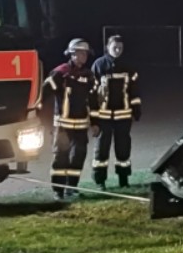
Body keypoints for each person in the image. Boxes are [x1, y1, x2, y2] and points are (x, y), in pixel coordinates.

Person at [40, 38, 99, 198]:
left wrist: (95, 123)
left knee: (78, 156)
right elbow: (43, 94)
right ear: (72, 54)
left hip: (81, 125)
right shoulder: (60, 73)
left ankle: (72, 187)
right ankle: (58, 191)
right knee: (61, 158)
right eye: (80, 53)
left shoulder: (89, 76)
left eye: (85, 53)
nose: (84, 56)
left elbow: (93, 101)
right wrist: (40, 117)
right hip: (62, 126)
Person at [90, 34, 141, 188]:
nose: (117, 50)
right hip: (103, 117)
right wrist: (93, 119)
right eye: (115, 47)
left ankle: (123, 180)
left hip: (123, 116)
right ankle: (100, 181)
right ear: (108, 47)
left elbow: (134, 90)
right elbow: (92, 94)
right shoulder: (99, 65)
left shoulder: (129, 67)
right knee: (101, 150)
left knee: (123, 150)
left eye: (120, 48)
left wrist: (136, 109)